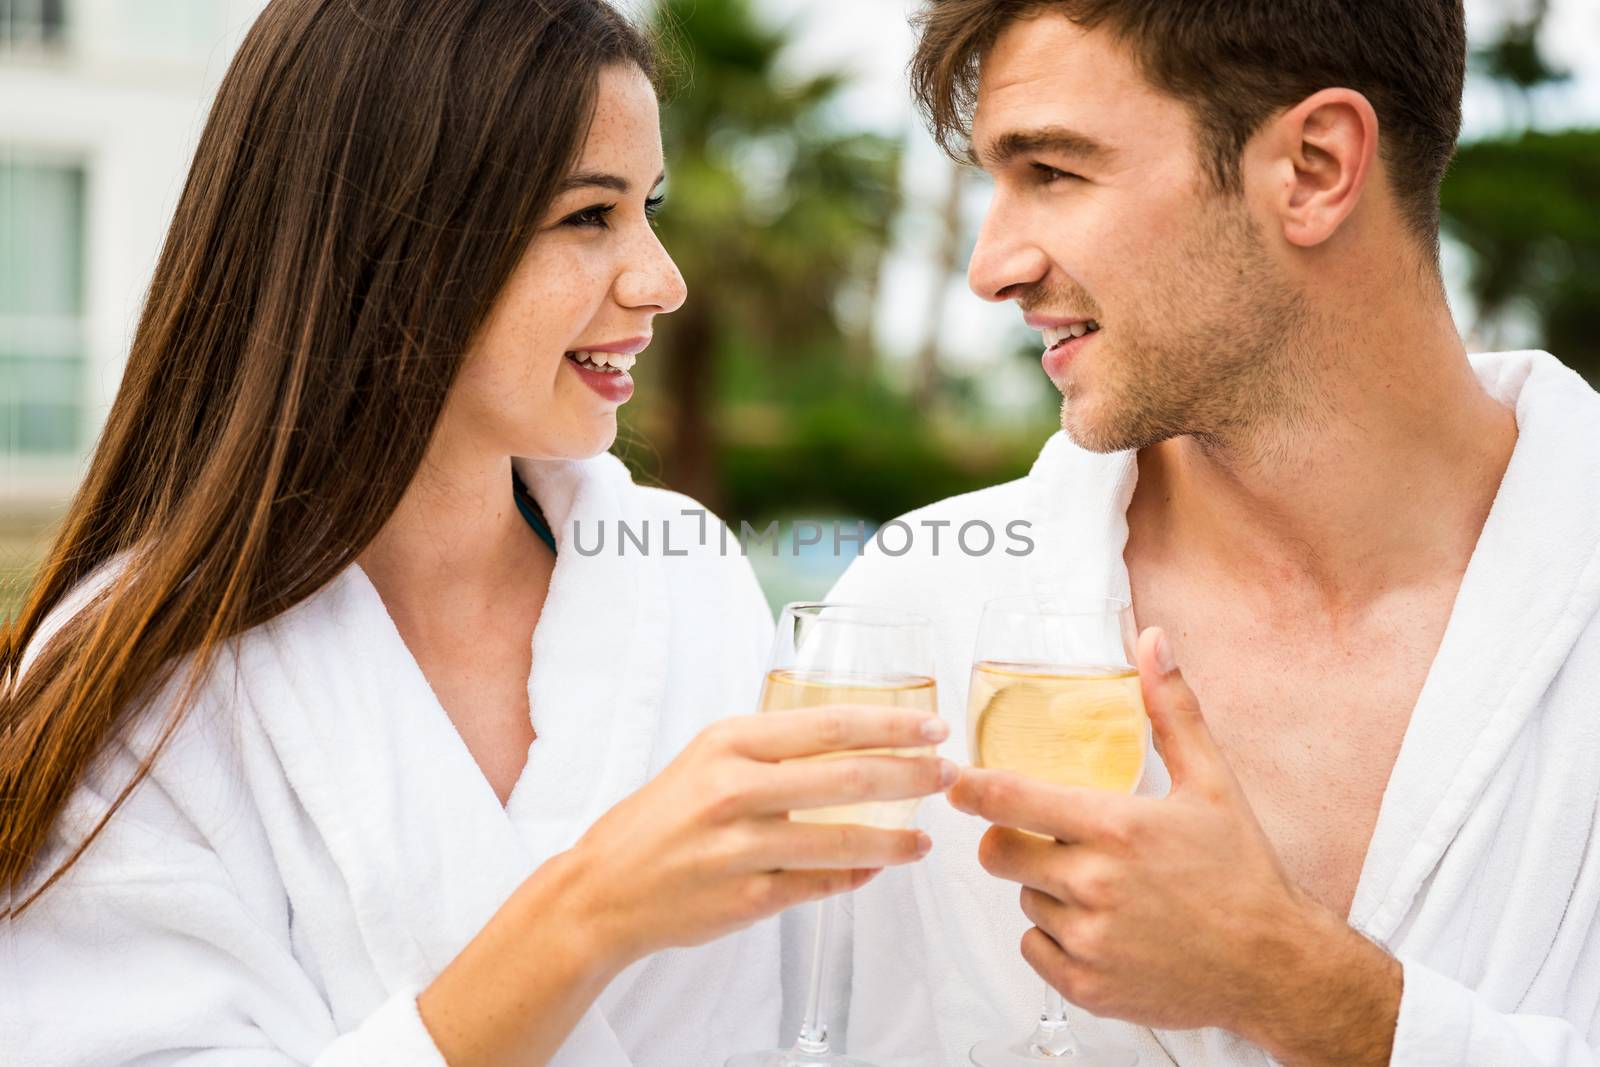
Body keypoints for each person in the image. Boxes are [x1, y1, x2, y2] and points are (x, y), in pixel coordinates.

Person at [0, 2, 953, 1065]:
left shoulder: (687, 580)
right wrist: (584, 916)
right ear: (392, 239)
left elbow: (817, 1011)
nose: (661, 279)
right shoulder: (142, 676)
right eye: (589, 216)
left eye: (649, 207)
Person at [825, 2, 1600, 1065]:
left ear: (1315, 166)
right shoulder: (914, 613)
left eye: (1052, 171)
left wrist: (1305, 991)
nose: (991, 265)